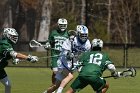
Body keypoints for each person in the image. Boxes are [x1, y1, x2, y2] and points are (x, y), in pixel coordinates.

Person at [44, 25, 91, 93]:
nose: (84, 36)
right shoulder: (71, 40)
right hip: (63, 62)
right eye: (82, 34)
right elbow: (64, 51)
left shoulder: (87, 44)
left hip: (73, 64)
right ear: (78, 33)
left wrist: (81, 63)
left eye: (85, 35)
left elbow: (85, 56)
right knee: (70, 76)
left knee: (55, 86)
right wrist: (68, 54)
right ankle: (59, 92)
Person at [0, 28, 38, 93]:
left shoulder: (9, 43)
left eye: (15, 37)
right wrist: (28, 58)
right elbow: (15, 54)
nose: (15, 38)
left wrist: (14, 59)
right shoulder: (4, 43)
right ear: (7, 35)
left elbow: (10, 55)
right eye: (13, 36)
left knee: (8, 85)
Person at [43, 18, 69, 93]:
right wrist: (47, 44)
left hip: (63, 57)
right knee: (55, 72)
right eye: (61, 25)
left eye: (64, 25)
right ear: (58, 25)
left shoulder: (68, 34)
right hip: (55, 55)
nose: (63, 26)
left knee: (62, 74)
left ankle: (54, 88)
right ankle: (53, 88)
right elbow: (49, 41)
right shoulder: (54, 32)